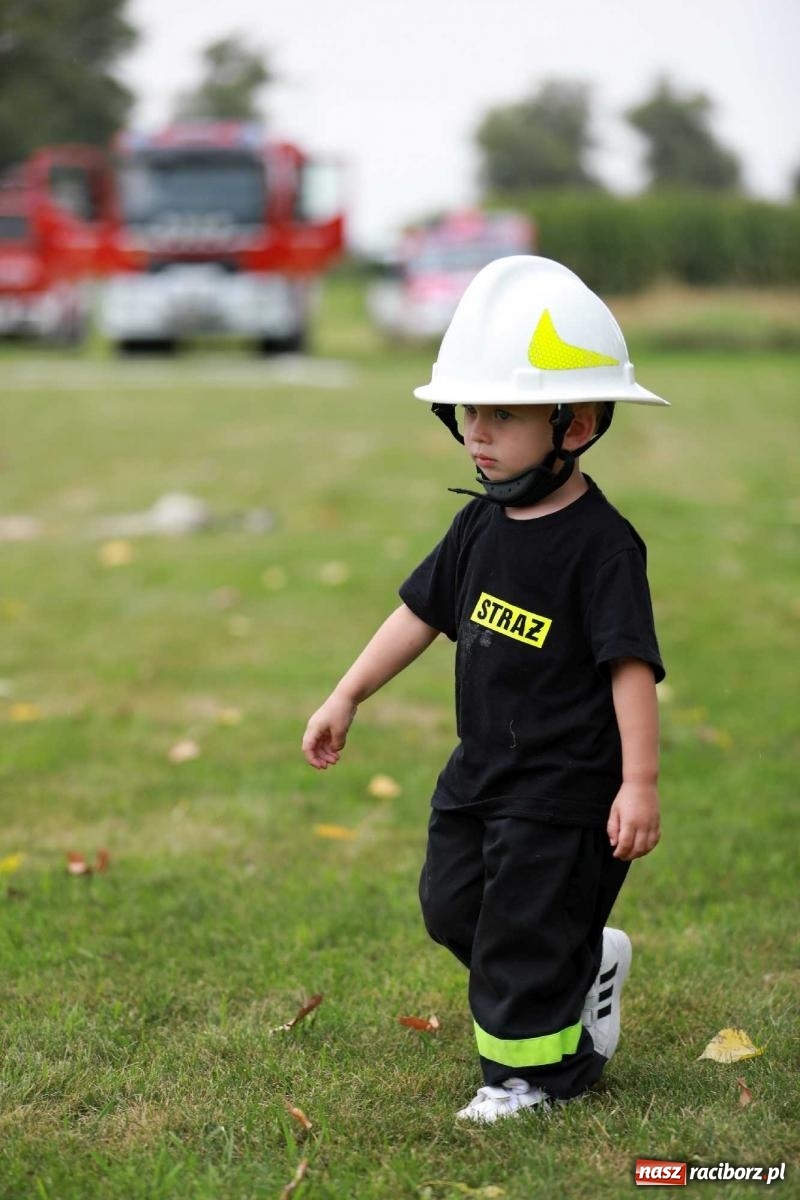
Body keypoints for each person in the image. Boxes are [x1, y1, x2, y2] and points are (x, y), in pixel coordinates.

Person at [302, 256, 668, 1123]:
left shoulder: (603, 547)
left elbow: (631, 668)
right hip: (480, 773)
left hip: (565, 786)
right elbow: (418, 613)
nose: (476, 430)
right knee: (451, 906)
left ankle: (530, 1079)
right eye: (467, 410)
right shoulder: (478, 523)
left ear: (574, 423)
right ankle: (578, 969)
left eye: (502, 413)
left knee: (519, 935)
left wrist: (639, 783)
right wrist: (347, 693)